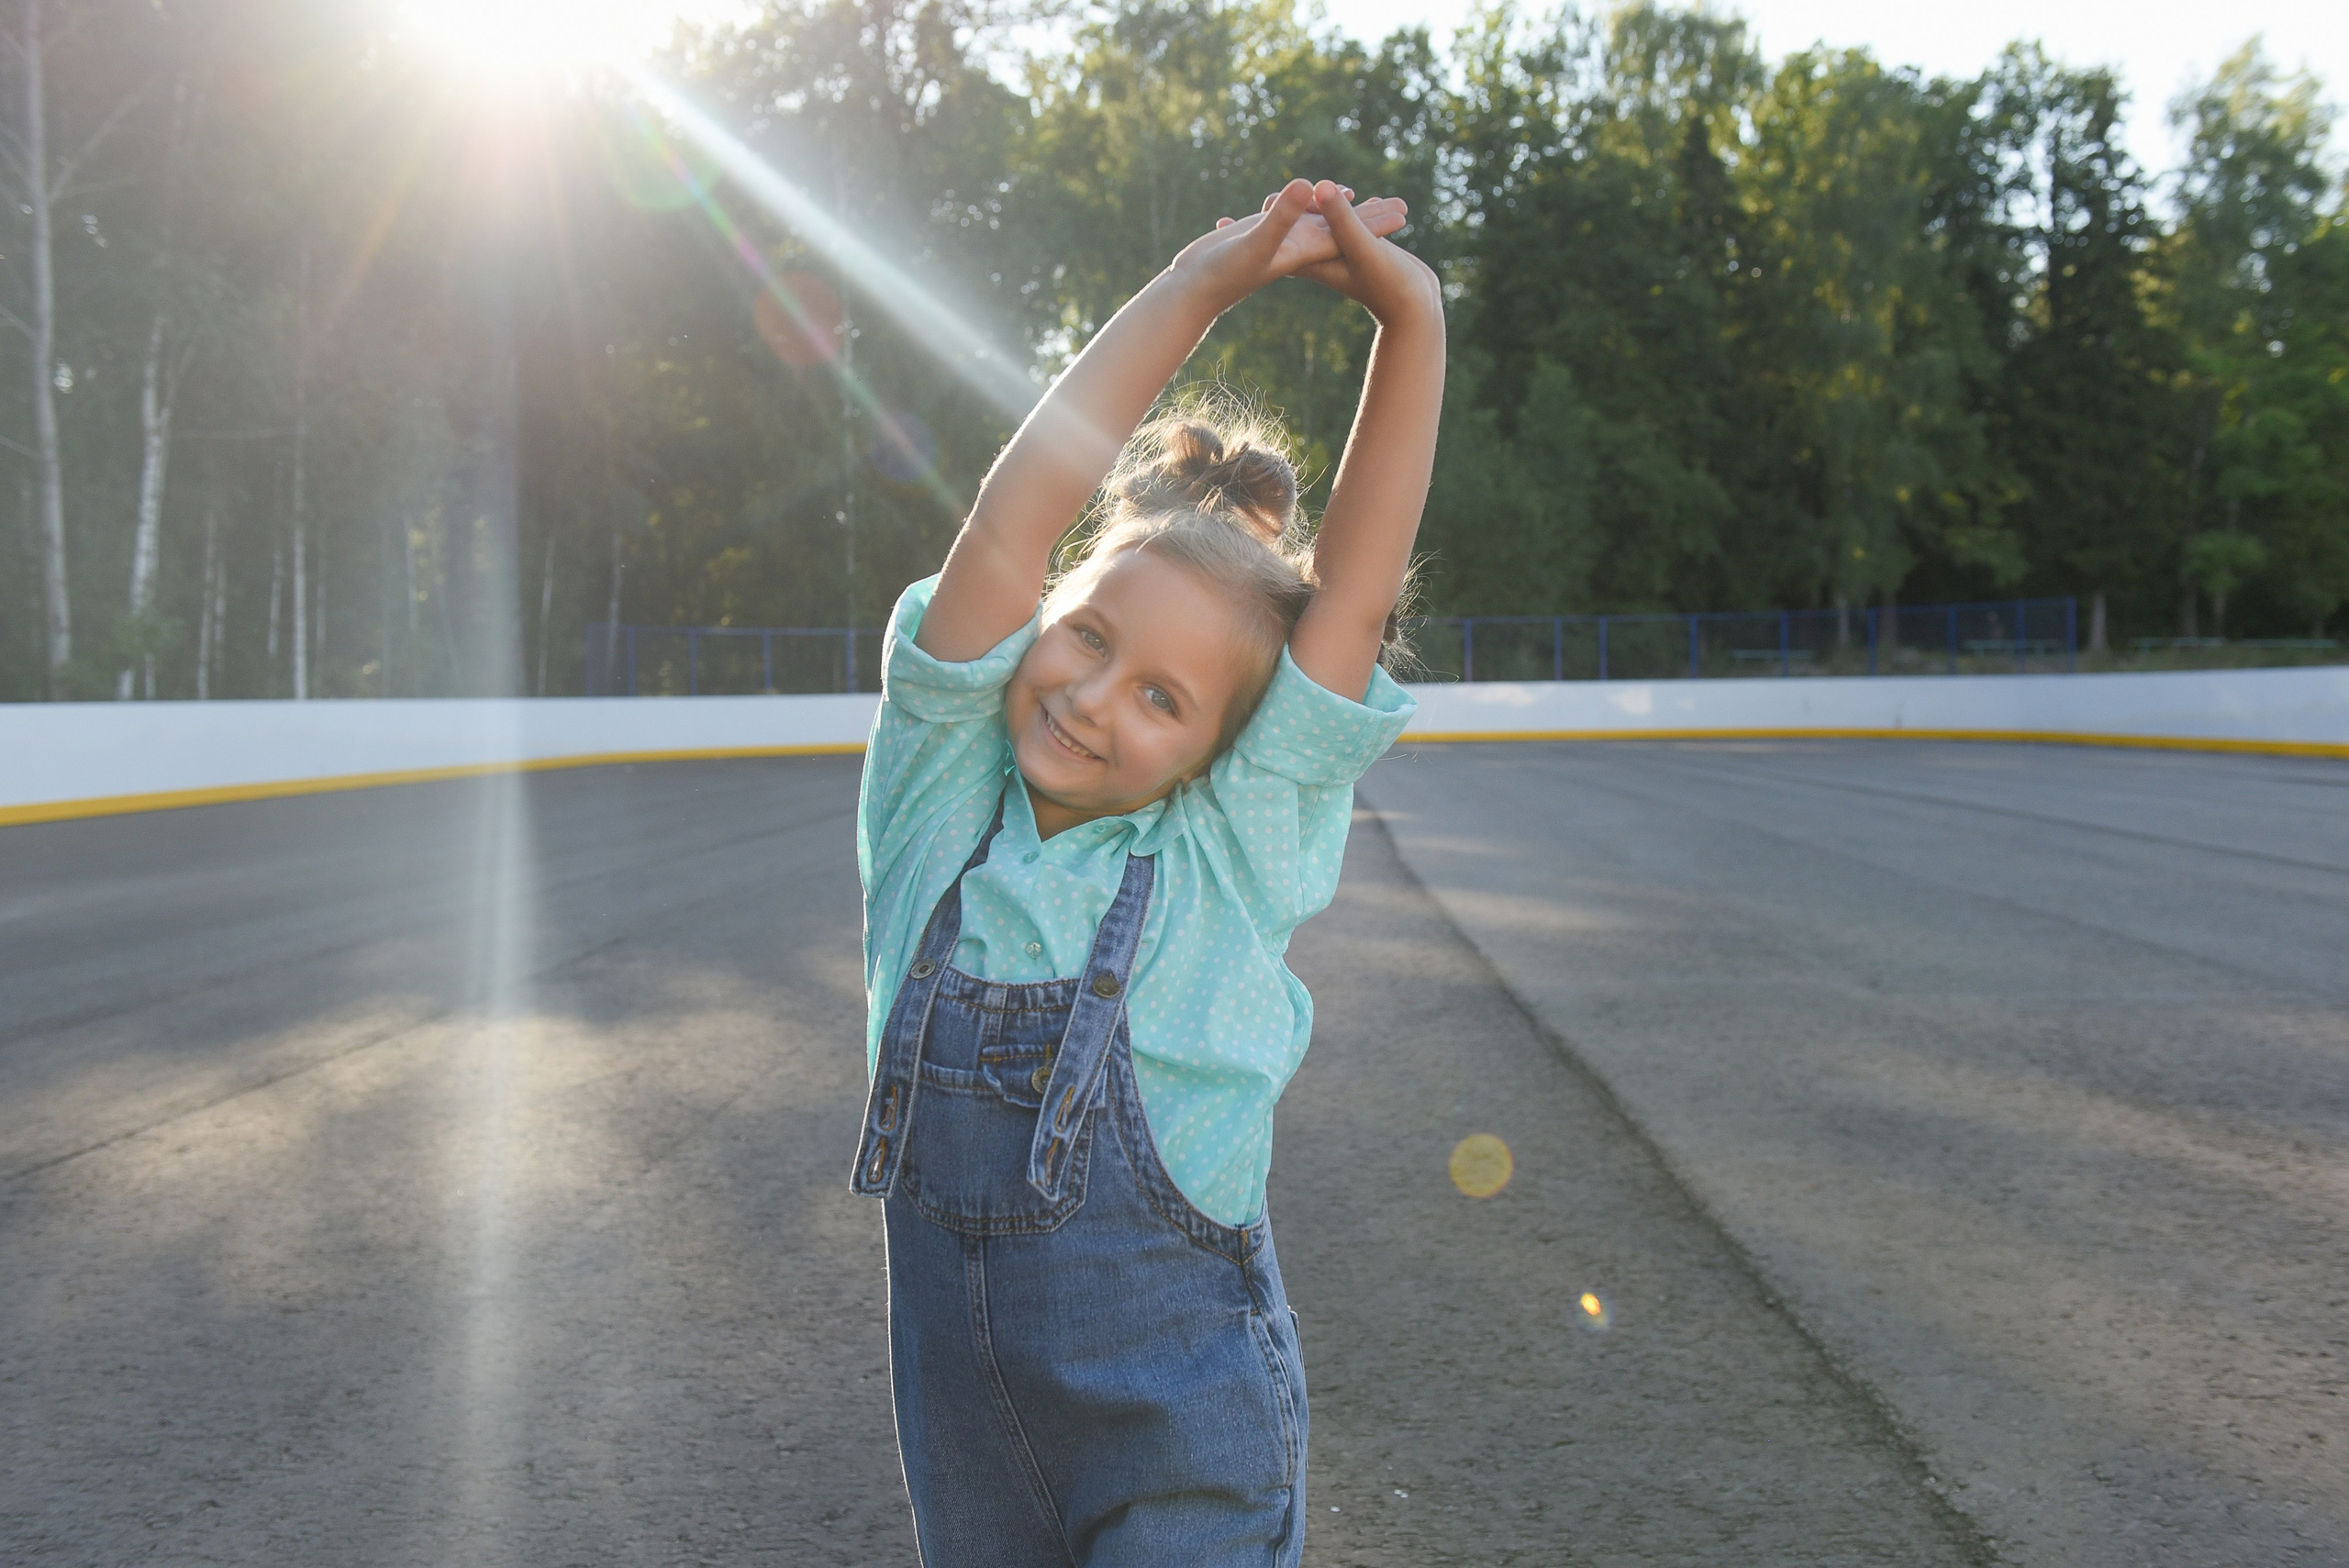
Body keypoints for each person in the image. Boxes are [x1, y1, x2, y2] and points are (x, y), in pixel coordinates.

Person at [851, 176, 1444, 1566]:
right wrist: (1197, 285)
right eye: (1091, 634)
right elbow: (1007, 519)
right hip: (974, 1462)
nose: (1098, 698)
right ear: (1042, 609)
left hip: (1190, 1448)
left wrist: (1410, 327)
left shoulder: (1229, 851)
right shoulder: (938, 796)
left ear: (1228, 753)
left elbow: (1351, 594)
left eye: (1167, 699)